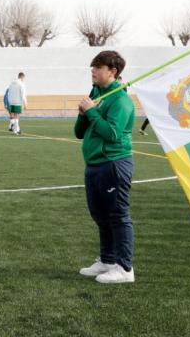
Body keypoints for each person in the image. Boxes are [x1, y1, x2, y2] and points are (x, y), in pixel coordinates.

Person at [75, 50, 136, 284]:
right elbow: (79, 133)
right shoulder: (96, 94)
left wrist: (91, 112)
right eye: (93, 67)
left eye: (98, 67)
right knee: (100, 215)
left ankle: (124, 267)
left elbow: (112, 134)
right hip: (94, 164)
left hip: (113, 164)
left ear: (113, 72)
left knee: (118, 215)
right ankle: (108, 260)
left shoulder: (121, 100)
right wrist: (83, 114)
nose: (93, 71)